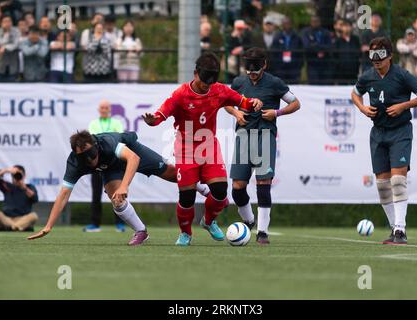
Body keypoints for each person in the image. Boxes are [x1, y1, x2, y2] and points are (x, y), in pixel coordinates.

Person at [142, 52, 263, 246]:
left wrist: (253, 103)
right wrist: (152, 120)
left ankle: (208, 221)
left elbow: (242, 101)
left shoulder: (219, 90)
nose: (207, 86)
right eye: (204, 81)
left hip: (208, 146)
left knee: (221, 191)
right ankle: (185, 234)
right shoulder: (181, 94)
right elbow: (161, 115)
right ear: (195, 73)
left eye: (211, 82)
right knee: (187, 197)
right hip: (186, 148)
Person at [27, 131, 210, 244]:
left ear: (96, 146)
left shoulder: (108, 143)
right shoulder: (75, 162)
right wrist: (48, 226)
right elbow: (64, 194)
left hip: (134, 152)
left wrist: (125, 185)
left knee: (172, 173)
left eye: (91, 155)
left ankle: (204, 189)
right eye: (85, 159)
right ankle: (141, 232)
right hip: (111, 169)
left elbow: (133, 159)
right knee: (116, 199)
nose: (90, 161)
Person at [351, 37, 417, 245]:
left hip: (400, 131)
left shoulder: (402, 75)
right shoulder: (367, 76)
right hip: (378, 132)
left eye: (380, 55)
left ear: (390, 56)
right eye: (372, 55)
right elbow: (355, 93)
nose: (376, 60)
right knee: (382, 185)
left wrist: (404, 106)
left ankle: (400, 230)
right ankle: (394, 227)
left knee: (398, 181)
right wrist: (362, 108)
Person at [224, 47, 300, 244]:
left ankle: (262, 232)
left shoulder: (274, 82)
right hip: (243, 136)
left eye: (255, 70)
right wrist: (236, 113)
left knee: (263, 184)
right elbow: (225, 102)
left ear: (264, 65)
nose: (252, 74)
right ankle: (249, 220)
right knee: (237, 187)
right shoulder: (239, 82)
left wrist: (277, 113)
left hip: (265, 136)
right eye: (249, 71)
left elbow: (296, 103)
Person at [84, 100, 125, 232]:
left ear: (110, 109)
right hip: (96, 163)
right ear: (99, 109)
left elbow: (119, 139)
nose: (104, 109)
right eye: (102, 107)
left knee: (117, 194)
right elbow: (93, 140)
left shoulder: (117, 123)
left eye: (106, 107)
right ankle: (95, 224)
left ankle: (120, 223)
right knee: (96, 194)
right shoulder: (93, 123)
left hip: (113, 163)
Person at [0, 165, 38, 231]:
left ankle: (11, 228)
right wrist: (7, 170)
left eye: (19, 174)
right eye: (14, 175)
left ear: (24, 176)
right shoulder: (8, 186)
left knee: (34, 216)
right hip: (7, 218)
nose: (16, 177)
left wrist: (24, 187)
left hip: (23, 218)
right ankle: (18, 227)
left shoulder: (29, 187)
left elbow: (35, 199)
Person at [270, 17, 303, 82]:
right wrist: (276, 65)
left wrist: (298, 66)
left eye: (288, 23)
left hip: (294, 67)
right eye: (285, 23)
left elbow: (301, 53)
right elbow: (273, 52)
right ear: (282, 25)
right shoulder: (277, 36)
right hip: (280, 67)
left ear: (291, 24)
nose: (287, 25)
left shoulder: (297, 37)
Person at [301, 15, 332, 84]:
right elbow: (307, 46)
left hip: (325, 63)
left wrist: (316, 46)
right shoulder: (306, 32)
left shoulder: (326, 32)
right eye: (313, 22)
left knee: (325, 84)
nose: (315, 23)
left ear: (320, 22)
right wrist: (320, 48)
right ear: (310, 22)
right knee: (313, 83)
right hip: (312, 63)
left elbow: (329, 46)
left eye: (317, 21)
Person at [333, 19, 360, 84]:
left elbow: (359, 53)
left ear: (351, 28)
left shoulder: (355, 39)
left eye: (348, 26)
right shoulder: (337, 41)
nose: (346, 28)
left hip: (354, 70)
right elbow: (334, 55)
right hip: (341, 72)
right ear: (341, 28)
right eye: (344, 26)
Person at [0, 14, 19, 82]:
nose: (8, 23)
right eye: (5, 21)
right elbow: (1, 43)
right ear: (1, 23)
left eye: (9, 21)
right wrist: (7, 33)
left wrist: (5, 47)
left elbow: (15, 45)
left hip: (13, 64)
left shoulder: (16, 31)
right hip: (1, 64)